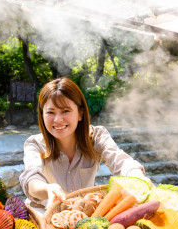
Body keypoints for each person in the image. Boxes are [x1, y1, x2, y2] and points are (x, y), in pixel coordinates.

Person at [19, 77, 151, 213]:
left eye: (65, 111)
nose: (58, 120)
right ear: (42, 115)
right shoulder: (34, 144)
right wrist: (47, 189)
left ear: (80, 113)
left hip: (83, 215)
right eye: (50, 112)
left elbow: (121, 161)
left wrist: (139, 180)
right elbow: (32, 180)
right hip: (43, 215)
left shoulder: (96, 137)